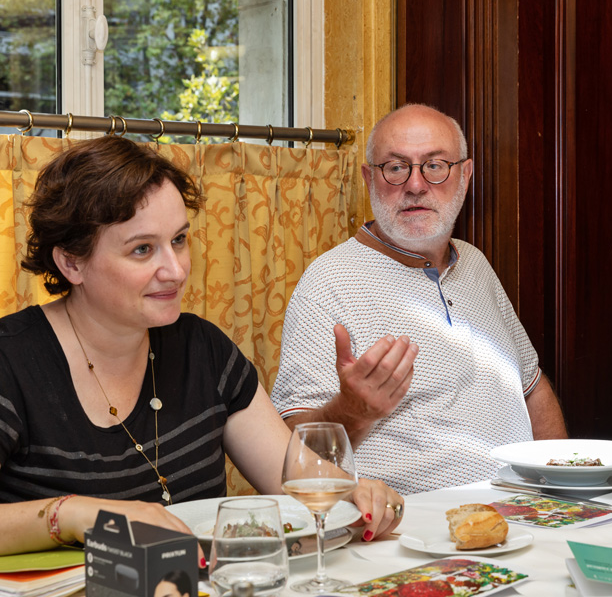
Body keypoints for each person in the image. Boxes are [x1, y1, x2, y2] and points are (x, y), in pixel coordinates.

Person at [0, 135, 402, 557]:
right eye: (142, 249)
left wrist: (352, 495)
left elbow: (295, 482)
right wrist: (77, 514)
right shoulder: (12, 362)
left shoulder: (203, 348)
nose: (175, 270)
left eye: (178, 240)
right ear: (71, 262)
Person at [271, 104, 567, 494]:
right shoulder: (327, 282)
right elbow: (296, 448)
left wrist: (564, 485)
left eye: (435, 165)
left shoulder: (475, 263)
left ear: (465, 176)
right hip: (411, 530)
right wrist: (353, 408)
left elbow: (531, 388)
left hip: (525, 511)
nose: (415, 185)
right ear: (368, 178)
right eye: (395, 168)